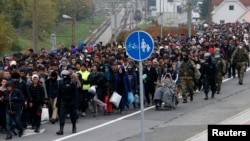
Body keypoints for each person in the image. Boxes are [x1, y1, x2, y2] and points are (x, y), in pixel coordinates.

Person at [56, 70, 77, 135]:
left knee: (72, 115)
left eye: (65, 76)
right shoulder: (61, 83)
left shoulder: (72, 84)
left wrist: (74, 102)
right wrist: (58, 102)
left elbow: (75, 94)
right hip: (64, 101)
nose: (64, 77)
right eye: (63, 76)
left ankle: (74, 126)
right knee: (62, 115)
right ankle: (61, 129)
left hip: (71, 101)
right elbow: (59, 93)